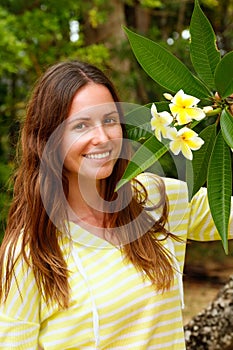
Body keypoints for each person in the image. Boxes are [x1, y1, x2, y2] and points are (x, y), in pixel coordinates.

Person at [0, 60, 232, 350]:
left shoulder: (155, 198)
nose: (103, 138)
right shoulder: (29, 250)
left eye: (109, 120)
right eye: (81, 125)